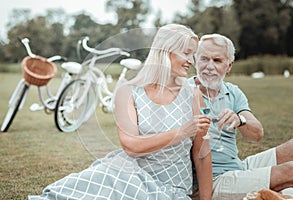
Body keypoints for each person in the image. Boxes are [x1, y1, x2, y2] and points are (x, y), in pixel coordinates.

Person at [29, 24, 213, 200]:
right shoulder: (128, 92)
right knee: (61, 195)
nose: (191, 61)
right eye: (186, 53)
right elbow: (131, 146)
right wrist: (182, 132)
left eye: (193, 54)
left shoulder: (193, 94)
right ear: (165, 51)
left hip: (170, 189)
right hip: (127, 174)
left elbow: (202, 153)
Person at [189, 33, 293, 199]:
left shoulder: (232, 92)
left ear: (229, 65)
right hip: (213, 180)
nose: (209, 66)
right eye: (204, 59)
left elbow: (257, 134)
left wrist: (240, 120)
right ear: (195, 60)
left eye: (217, 60)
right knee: (292, 171)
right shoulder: (184, 92)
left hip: (238, 166)